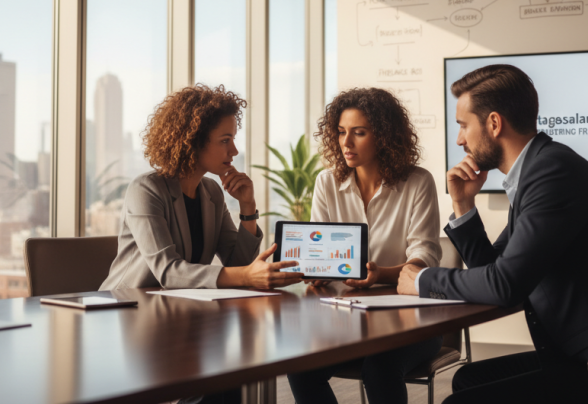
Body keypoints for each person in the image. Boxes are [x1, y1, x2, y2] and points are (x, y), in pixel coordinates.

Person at [397, 64, 588, 404]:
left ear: (494, 124)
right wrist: (463, 204)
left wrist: (422, 280)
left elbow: (505, 285)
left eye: (464, 125)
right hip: (582, 355)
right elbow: (493, 272)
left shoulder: (552, 173)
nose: (459, 139)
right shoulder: (538, 171)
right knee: (469, 378)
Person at [287, 87, 443, 404]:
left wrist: (381, 274)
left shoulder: (418, 182)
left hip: (412, 322)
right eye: (341, 132)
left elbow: (424, 257)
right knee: (300, 366)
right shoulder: (326, 182)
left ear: (384, 136)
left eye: (358, 133)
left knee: (380, 368)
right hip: (346, 321)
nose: (346, 142)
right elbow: (322, 249)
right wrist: (317, 270)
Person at [100, 84, 303, 292]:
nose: (233, 151)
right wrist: (247, 275)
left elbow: (238, 265)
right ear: (192, 142)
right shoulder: (146, 190)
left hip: (178, 308)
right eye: (225, 140)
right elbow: (168, 272)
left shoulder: (212, 192)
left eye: (233, 140)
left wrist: (248, 206)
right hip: (124, 309)